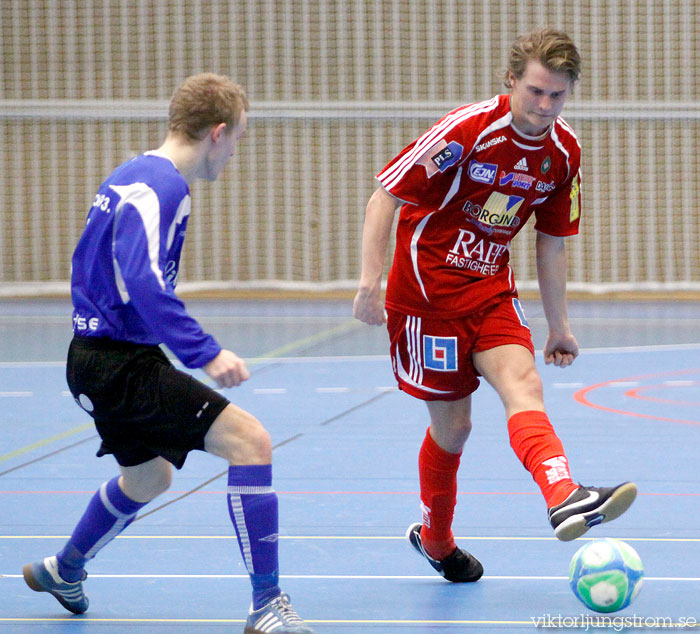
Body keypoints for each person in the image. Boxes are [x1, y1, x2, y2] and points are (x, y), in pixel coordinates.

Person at [22, 73, 313, 634]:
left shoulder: (131, 172)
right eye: (238, 139)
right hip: (118, 362)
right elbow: (143, 282)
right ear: (219, 132)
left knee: (148, 478)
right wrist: (203, 352)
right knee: (250, 442)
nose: (234, 154)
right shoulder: (165, 186)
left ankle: (65, 568)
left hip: (91, 359)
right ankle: (267, 606)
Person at [353, 28, 637, 582]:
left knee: (523, 384)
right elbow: (387, 192)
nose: (544, 106)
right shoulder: (468, 129)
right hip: (426, 298)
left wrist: (560, 325)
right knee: (454, 427)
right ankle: (436, 541)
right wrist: (370, 278)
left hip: (490, 291)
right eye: (535, 91)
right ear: (512, 81)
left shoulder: (563, 153)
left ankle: (563, 494)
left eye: (557, 95)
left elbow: (551, 241)